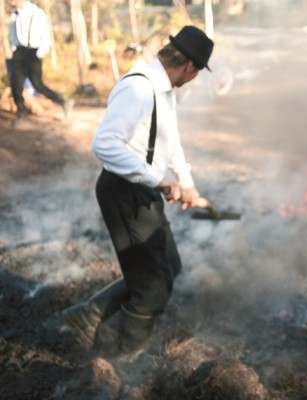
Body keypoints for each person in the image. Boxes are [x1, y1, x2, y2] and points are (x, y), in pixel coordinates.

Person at [61, 26, 214, 358]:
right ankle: (124, 359)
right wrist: (159, 180)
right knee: (153, 286)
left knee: (169, 265)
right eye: (198, 71)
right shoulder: (140, 88)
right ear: (190, 66)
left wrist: (184, 180)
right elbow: (104, 144)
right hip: (124, 192)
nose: (195, 77)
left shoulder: (164, 90)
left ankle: (87, 316)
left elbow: (168, 140)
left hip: (141, 190)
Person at [9, 0, 73, 127]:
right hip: (19, 52)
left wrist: (38, 54)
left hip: (33, 53)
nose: (11, 2)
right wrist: (14, 48)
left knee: (38, 85)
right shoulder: (14, 14)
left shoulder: (36, 13)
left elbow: (45, 37)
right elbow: (13, 34)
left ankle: (63, 101)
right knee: (15, 85)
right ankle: (21, 114)